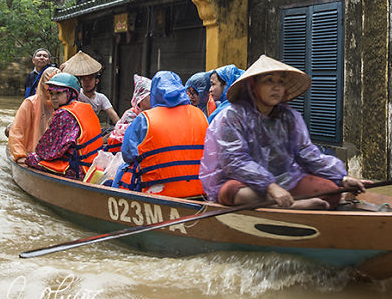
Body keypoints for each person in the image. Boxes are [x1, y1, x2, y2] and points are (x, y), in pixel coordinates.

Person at [199, 55, 369, 210]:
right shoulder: (230, 117)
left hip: (282, 180)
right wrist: (270, 186)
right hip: (242, 182)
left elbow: (307, 152)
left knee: (330, 191)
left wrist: (341, 178)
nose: (276, 87)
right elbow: (234, 161)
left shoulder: (288, 117)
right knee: (233, 191)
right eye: (268, 81)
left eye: (280, 82)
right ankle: (291, 206)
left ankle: (285, 202)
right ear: (253, 86)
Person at [114, 70, 208, 197]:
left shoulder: (145, 119)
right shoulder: (201, 115)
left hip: (159, 192)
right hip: (200, 190)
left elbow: (128, 154)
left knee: (123, 170)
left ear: (154, 93)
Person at [24, 73, 104, 179]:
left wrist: (35, 153)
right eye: (51, 94)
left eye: (58, 93)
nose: (54, 98)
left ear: (70, 93)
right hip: (92, 166)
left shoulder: (64, 114)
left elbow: (48, 152)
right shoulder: (85, 107)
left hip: (76, 170)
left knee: (31, 158)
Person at [8, 66, 60, 162]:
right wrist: (20, 155)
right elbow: (17, 131)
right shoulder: (30, 103)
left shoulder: (64, 105)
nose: (52, 95)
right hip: (31, 153)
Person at [61, 50, 120, 125]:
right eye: (84, 79)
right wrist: (61, 72)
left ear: (97, 81)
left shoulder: (101, 98)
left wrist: (121, 127)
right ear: (80, 82)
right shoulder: (76, 94)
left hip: (91, 127)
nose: (87, 82)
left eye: (90, 79)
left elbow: (113, 116)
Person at [106, 74, 152, 151]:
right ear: (140, 98)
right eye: (149, 95)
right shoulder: (130, 115)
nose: (153, 98)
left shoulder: (154, 114)